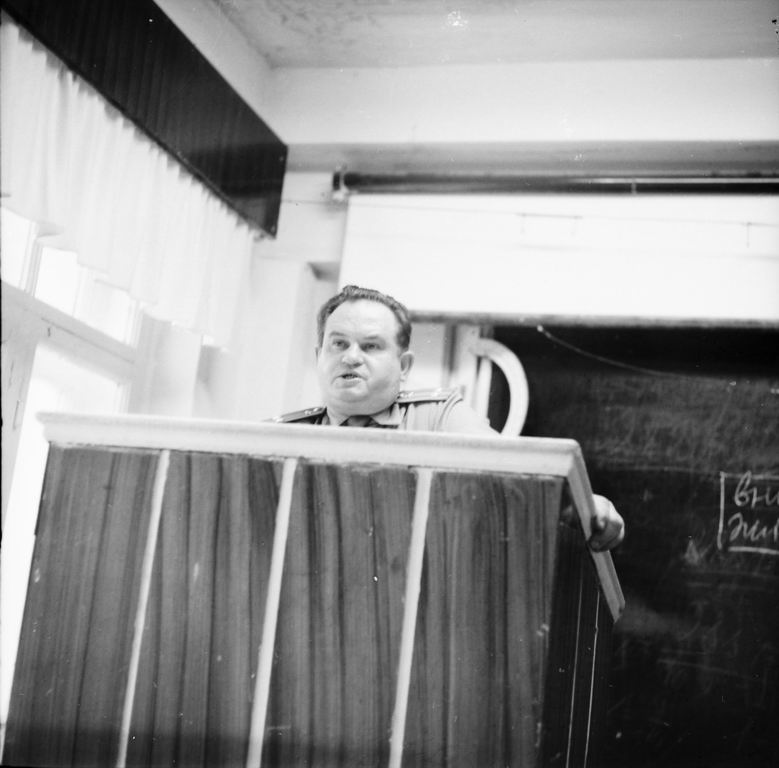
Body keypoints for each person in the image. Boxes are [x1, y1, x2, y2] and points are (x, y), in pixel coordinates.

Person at [274, 284, 625, 551]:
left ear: (404, 366)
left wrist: (587, 506)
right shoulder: (280, 438)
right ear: (319, 356)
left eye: (370, 346)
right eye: (338, 344)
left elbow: (525, 477)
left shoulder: (439, 416)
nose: (351, 357)